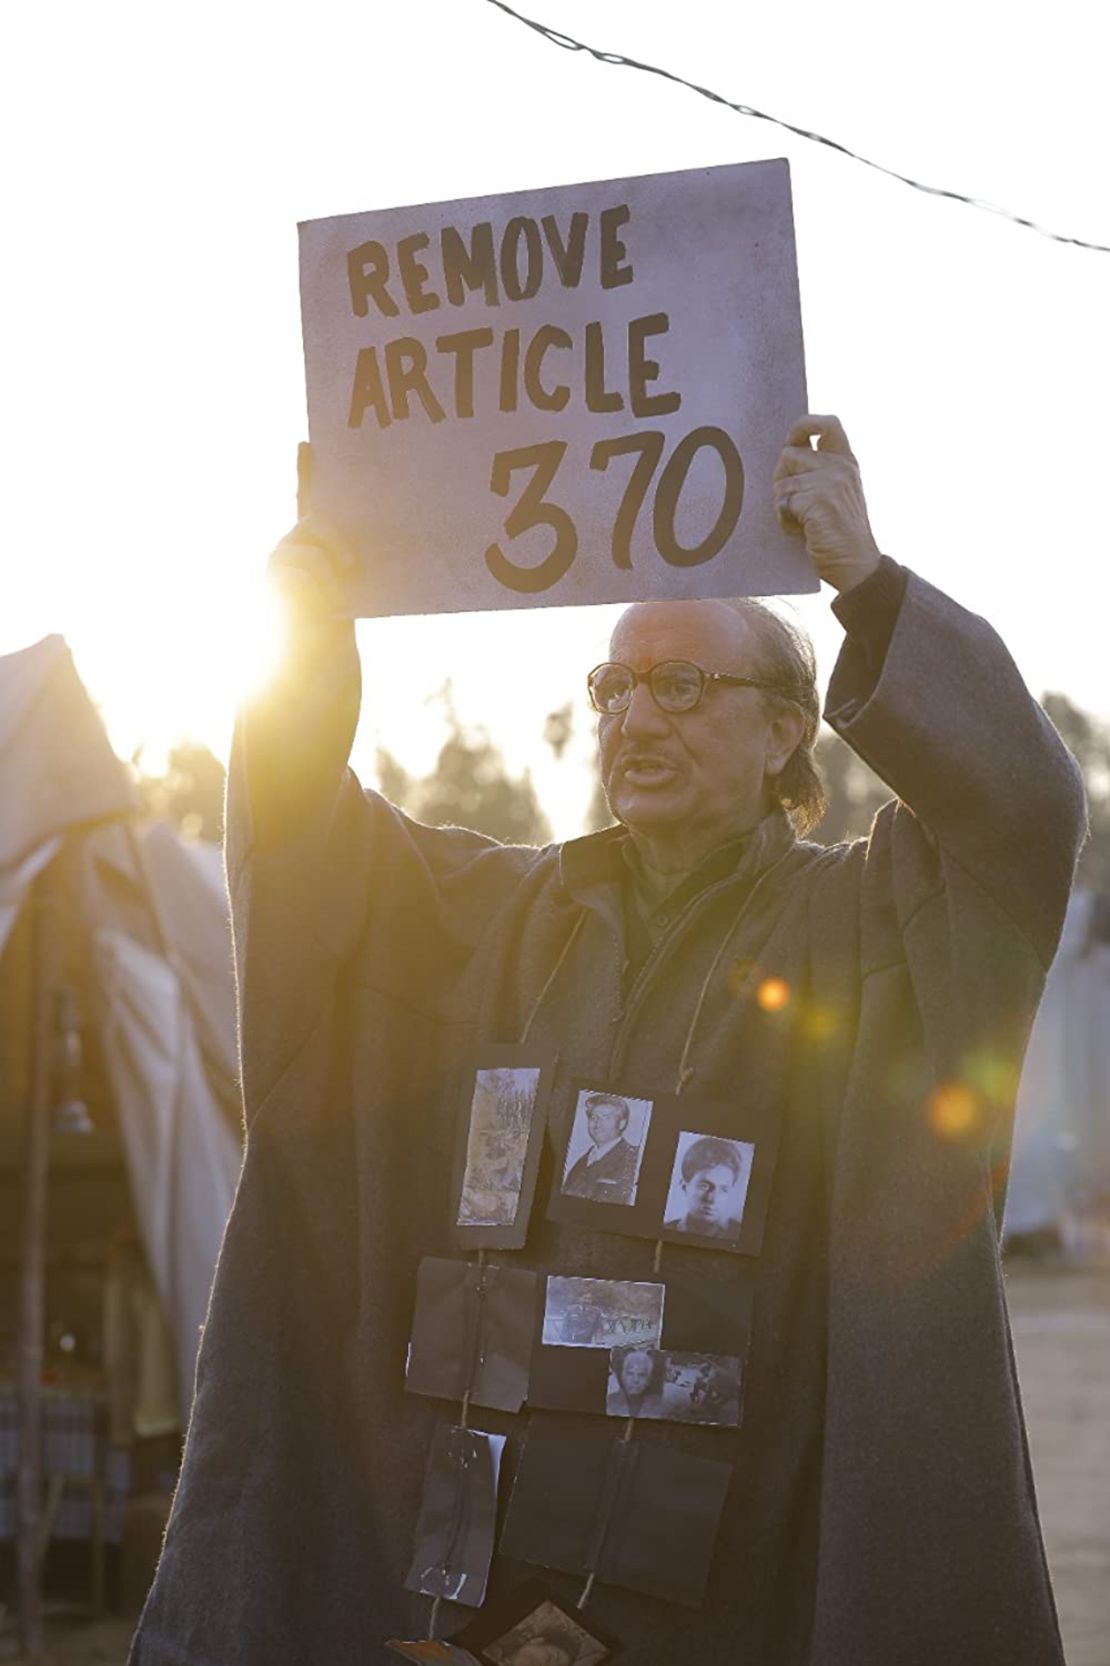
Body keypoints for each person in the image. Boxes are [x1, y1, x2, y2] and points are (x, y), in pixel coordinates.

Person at [130, 416, 1085, 1666]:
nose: (637, 715)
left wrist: (868, 582)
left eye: (682, 684)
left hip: (741, 1601)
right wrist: (310, 619)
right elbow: (304, 840)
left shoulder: (864, 925)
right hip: (463, 1603)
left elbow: (1022, 813)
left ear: (785, 729)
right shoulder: (486, 916)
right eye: (614, 685)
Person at [560, 1091, 641, 1203]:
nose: (597, 1124)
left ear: (622, 1123)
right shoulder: (581, 1162)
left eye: (606, 1118)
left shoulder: (634, 1159)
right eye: (593, 1117)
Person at [663, 1134, 749, 1238]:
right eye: (704, 1186)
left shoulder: (741, 1235)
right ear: (684, 1186)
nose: (712, 1199)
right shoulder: (665, 1230)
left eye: (724, 1189)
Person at [605, 1346, 665, 1419]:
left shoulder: (660, 1405)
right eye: (630, 1373)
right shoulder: (608, 1401)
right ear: (621, 1375)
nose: (635, 1380)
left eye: (642, 1375)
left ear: (649, 1380)